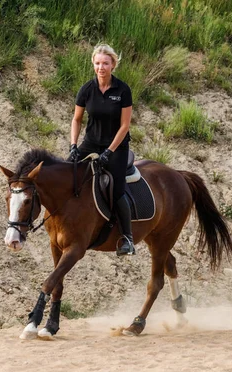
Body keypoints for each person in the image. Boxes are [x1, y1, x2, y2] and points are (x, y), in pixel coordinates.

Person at [68, 43, 135, 256]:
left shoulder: (123, 90)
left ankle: (127, 238)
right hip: (90, 143)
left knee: (116, 189)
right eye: (97, 63)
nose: (101, 67)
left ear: (113, 64)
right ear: (93, 65)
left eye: (105, 63)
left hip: (116, 146)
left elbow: (125, 125)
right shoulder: (86, 89)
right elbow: (76, 119)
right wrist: (73, 146)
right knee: (65, 173)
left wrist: (109, 152)